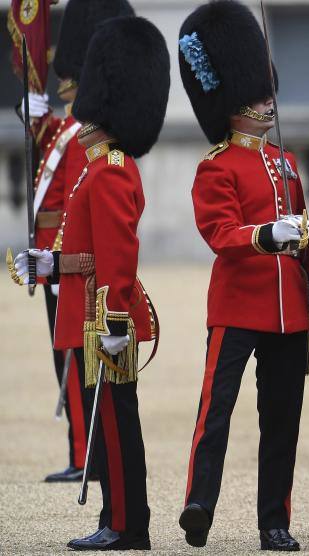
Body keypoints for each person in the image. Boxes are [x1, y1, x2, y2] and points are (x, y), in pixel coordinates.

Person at [14, 14, 169, 550]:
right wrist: (50, 265)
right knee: (109, 426)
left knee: (117, 426)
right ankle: (118, 518)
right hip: (91, 311)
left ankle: (128, 526)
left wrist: (115, 320)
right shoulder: (97, 164)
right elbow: (86, 252)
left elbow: (117, 256)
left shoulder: (108, 169)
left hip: (104, 318)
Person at [176, 1, 309, 551]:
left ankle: (273, 521)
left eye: (267, 91)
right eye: (258, 94)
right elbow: (219, 232)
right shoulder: (216, 165)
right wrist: (264, 236)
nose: (267, 101)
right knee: (216, 414)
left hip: (288, 311)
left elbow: (304, 233)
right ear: (235, 103)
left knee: (281, 423)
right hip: (238, 306)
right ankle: (199, 503)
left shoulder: (285, 162)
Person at [12, 0, 134, 484]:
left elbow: (75, 202)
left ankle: (86, 453)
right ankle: (81, 449)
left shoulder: (82, 134)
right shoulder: (64, 129)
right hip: (53, 259)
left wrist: (60, 261)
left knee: (77, 356)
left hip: (66, 261)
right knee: (65, 353)